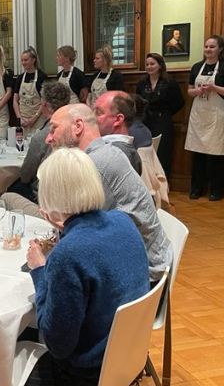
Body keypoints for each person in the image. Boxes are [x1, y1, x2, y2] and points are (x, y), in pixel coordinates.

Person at [24, 147, 149, 386]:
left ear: (50, 199)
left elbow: (57, 344)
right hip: (127, 364)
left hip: (86, 384)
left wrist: (40, 271)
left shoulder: (70, 254)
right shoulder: (122, 222)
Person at [46, 104, 172, 282]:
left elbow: (77, 234)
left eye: (54, 129)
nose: (48, 138)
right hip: (136, 257)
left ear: (78, 127)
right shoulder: (106, 151)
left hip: (141, 273)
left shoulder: (96, 163)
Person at [185, 35, 224, 201]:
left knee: (216, 154)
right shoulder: (196, 67)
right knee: (198, 154)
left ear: (220, 49)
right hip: (199, 114)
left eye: (212, 47)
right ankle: (196, 188)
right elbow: (189, 91)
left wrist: (214, 87)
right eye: (206, 46)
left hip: (217, 114)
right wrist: (197, 91)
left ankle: (216, 190)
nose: (208, 49)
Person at [6, 82, 72, 202]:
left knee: (9, 192)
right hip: (70, 191)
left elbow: (26, 176)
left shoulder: (42, 136)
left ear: (44, 104)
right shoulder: (76, 129)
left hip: (45, 197)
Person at [136, 53, 185, 176]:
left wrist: (166, 113)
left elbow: (179, 102)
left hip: (163, 120)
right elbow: (137, 100)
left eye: (152, 64)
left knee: (163, 153)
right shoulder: (142, 83)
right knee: (146, 151)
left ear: (160, 65)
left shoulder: (169, 82)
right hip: (146, 121)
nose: (149, 67)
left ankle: (163, 183)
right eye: (147, 64)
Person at [93, 92, 143, 174]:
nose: (92, 117)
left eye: (98, 113)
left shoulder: (115, 155)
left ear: (118, 120)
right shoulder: (125, 151)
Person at [12, 46, 48, 136]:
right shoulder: (20, 78)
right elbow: (15, 101)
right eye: (22, 60)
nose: (23, 62)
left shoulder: (42, 77)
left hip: (38, 120)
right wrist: (19, 118)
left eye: (26, 60)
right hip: (22, 120)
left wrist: (34, 118)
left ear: (33, 60)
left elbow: (44, 101)